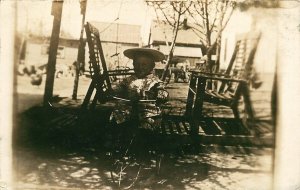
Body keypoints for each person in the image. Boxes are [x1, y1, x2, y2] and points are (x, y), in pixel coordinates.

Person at [109, 48, 168, 131]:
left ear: (152, 66)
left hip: (148, 112)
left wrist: (162, 94)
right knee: (115, 121)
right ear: (133, 65)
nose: (140, 67)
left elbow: (162, 89)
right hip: (127, 111)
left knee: (145, 128)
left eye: (144, 64)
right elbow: (119, 88)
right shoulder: (129, 80)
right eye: (137, 64)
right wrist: (112, 91)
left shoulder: (155, 81)